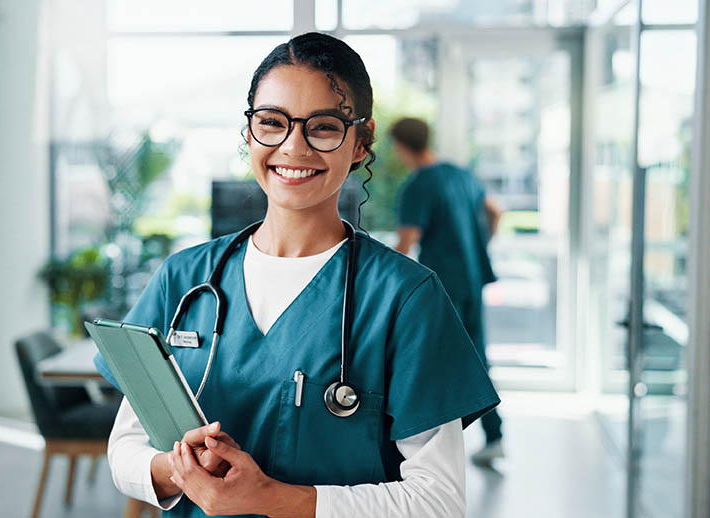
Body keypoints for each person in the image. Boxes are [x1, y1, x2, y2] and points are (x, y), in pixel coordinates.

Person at [93, 33, 499, 518]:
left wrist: (268, 497)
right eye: (272, 123)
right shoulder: (184, 278)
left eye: (323, 127)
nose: (293, 146)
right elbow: (125, 451)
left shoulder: (405, 298)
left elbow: (438, 502)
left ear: (361, 143)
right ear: (249, 134)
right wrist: (181, 468)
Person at [389, 117, 505, 466]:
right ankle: (495, 435)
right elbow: (495, 212)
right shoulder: (460, 174)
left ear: (400, 146)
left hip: (443, 288)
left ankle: (431, 451)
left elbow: (406, 243)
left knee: (430, 363)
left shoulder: (418, 185)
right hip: (470, 278)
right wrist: (478, 245)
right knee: (476, 359)